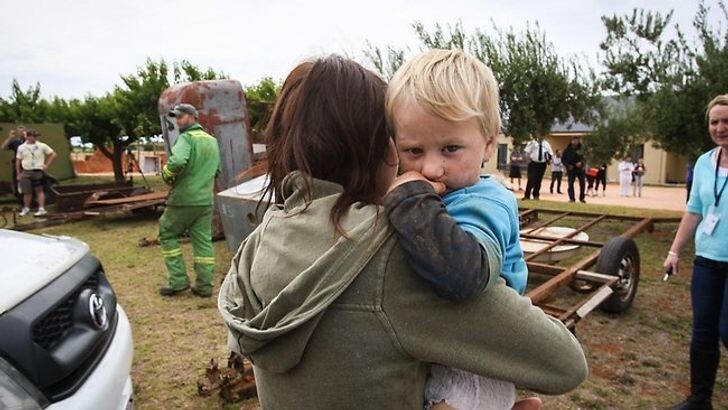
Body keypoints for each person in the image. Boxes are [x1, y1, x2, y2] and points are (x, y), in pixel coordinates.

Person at [218, 55, 588, 409]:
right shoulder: (392, 251)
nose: (429, 167)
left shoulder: (258, 243)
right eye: (409, 148)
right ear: (379, 148)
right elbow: (565, 363)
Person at [384, 49, 536, 410]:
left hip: (473, 368)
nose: (433, 167)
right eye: (413, 150)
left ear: (488, 142)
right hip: (444, 350)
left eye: (450, 148)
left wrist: (409, 200)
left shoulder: (485, 201)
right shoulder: (443, 190)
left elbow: (463, 274)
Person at [663, 95, 728, 410]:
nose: (720, 127)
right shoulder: (704, 162)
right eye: (715, 122)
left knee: (727, 329)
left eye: (726, 121)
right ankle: (700, 399)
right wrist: (675, 251)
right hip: (707, 261)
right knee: (703, 332)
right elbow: (694, 211)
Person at [158, 103, 221, 297]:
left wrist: (166, 175)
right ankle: (204, 286)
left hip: (184, 199)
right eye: (176, 117)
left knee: (167, 233)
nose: (178, 120)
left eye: (181, 116)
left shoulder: (186, 138)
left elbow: (177, 162)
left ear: (193, 117)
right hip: (205, 200)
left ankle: (178, 282)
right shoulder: (212, 141)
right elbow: (217, 171)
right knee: (203, 241)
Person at [15, 130, 56, 216]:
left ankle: (41, 208)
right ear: (28, 137)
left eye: (36, 136)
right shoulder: (21, 147)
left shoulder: (41, 145)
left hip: (37, 170)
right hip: (26, 171)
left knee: (39, 190)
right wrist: (18, 173)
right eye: (33, 136)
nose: (35, 138)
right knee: (26, 191)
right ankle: (26, 208)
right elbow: (18, 161)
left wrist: (46, 165)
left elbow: (53, 154)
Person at [1, 125, 26, 205]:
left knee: (27, 183)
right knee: (17, 182)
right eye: (19, 130)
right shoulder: (16, 141)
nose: (21, 132)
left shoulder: (30, 140)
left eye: (22, 130)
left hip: (27, 164)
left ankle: (28, 201)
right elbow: (3, 147)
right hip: (17, 164)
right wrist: (9, 138)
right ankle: (20, 200)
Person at [562, 137, 586, 203]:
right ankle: (572, 198)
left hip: (580, 169)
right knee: (570, 184)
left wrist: (581, 163)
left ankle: (582, 198)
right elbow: (563, 160)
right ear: (571, 141)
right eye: (574, 140)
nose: (575, 142)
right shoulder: (567, 150)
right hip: (571, 169)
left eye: (577, 141)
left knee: (582, 183)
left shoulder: (582, 150)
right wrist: (568, 166)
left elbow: (585, 158)